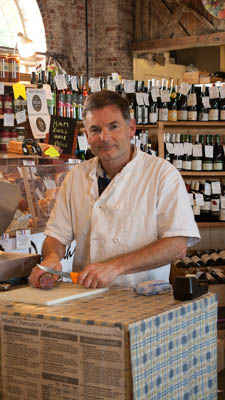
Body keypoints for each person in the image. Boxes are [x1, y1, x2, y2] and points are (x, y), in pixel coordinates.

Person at [29, 90, 200, 289]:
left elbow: (177, 245)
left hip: (144, 298)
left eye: (113, 126)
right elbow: (56, 235)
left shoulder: (162, 175)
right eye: (95, 130)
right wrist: (51, 257)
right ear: (86, 136)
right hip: (85, 298)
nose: (104, 137)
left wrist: (115, 267)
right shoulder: (76, 176)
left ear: (131, 128)